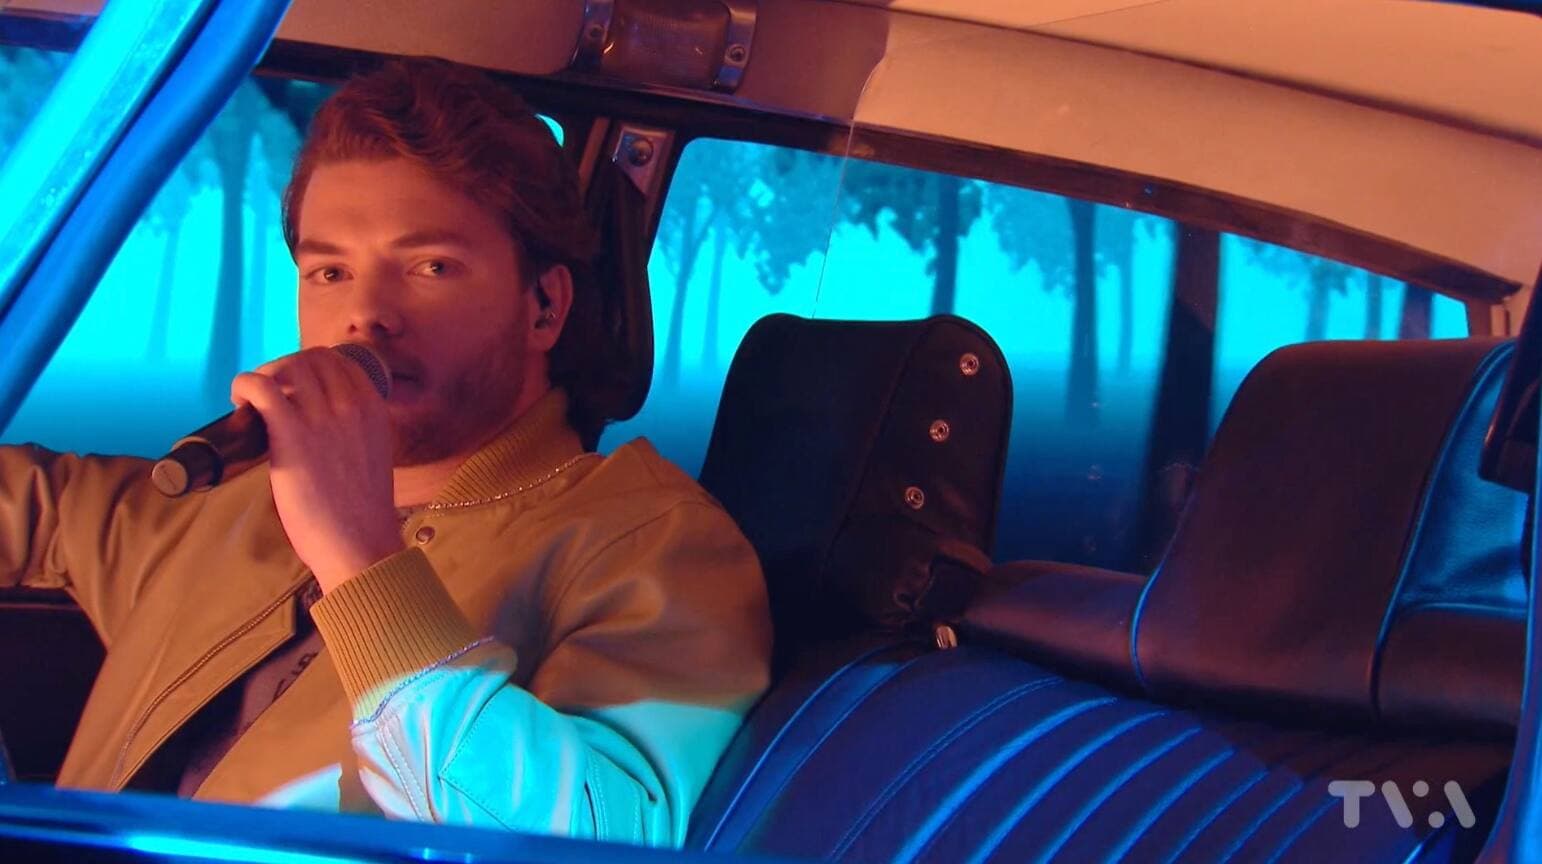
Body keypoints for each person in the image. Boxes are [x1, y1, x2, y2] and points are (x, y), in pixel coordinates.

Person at [0, 57, 771, 846]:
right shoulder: (227, 497)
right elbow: (36, 507)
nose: (365, 315)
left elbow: (602, 837)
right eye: (330, 271)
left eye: (429, 266)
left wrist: (359, 559)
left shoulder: (654, 543)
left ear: (543, 305)